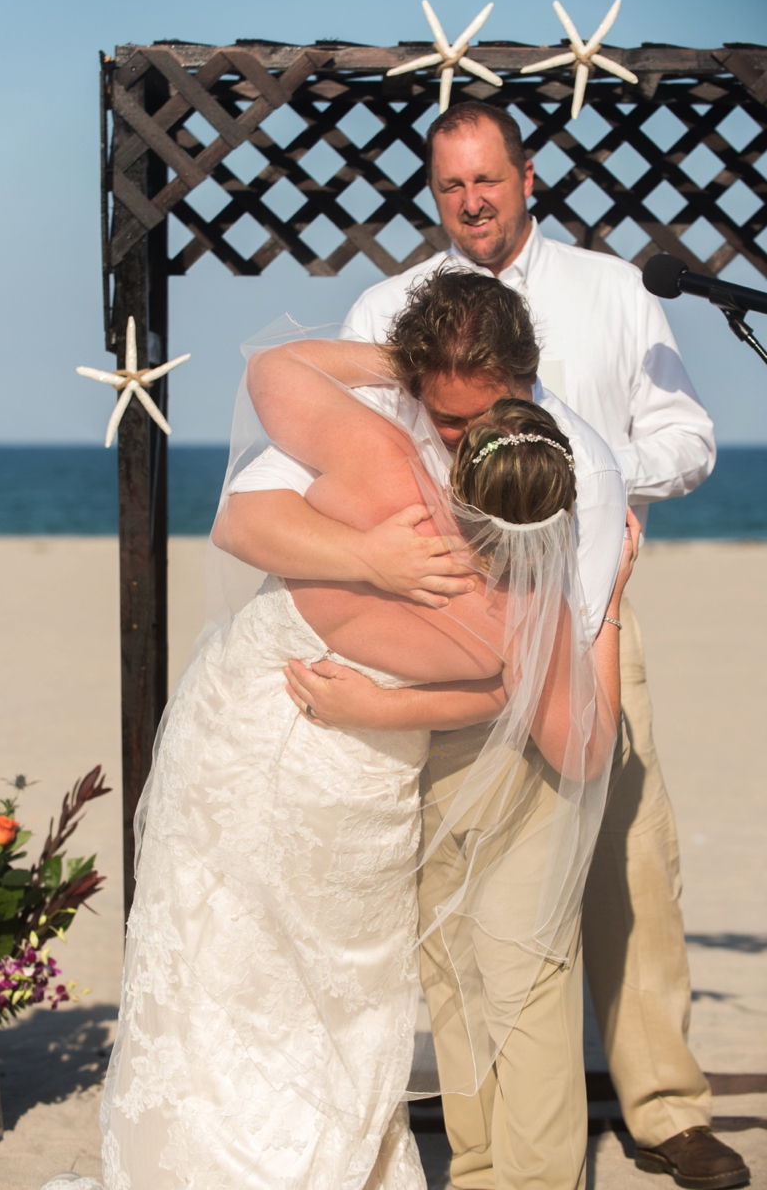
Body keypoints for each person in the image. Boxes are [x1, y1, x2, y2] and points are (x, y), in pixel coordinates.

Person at [283, 102, 747, 1190]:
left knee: (629, 861)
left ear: (525, 176)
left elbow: (686, 434)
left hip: (585, 609)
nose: (472, 201)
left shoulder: (612, 289)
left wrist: (576, 483)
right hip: (446, 626)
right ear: (433, 195)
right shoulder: (388, 305)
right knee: (460, 892)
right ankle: (486, 1133)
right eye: (451, 188)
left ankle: (665, 1110)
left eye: (488, 180)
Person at [99, 318, 633, 1189]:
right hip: (357, 771)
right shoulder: (518, 616)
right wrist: (603, 603)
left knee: (219, 955)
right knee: (334, 986)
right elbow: (557, 727)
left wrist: (407, 374)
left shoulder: (379, 460)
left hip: (253, 722)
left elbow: (271, 368)